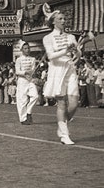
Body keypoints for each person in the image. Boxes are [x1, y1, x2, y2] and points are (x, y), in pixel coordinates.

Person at [43, 11, 80, 145]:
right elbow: (51, 56)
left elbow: (77, 53)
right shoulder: (47, 38)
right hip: (57, 70)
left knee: (74, 103)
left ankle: (61, 124)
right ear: (53, 21)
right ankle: (64, 134)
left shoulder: (70, 36)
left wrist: (77, 52)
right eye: (60, 19)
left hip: (70, 69)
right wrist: (66, 50)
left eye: (64, 18)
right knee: (62, 103)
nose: (63, 21)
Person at [15, 41, 38, 125]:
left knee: (35, 96)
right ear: (22, 50)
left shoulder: (33, 59)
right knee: (22, 100)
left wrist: (31, 74)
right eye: (25, 48)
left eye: (28, 48)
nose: (27, 50)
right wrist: (25, 73)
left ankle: (29, 111)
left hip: (30, 80)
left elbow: (33, 69)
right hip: (22, 81)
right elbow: (17, 71)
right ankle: (23, 119)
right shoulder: (18, 59)